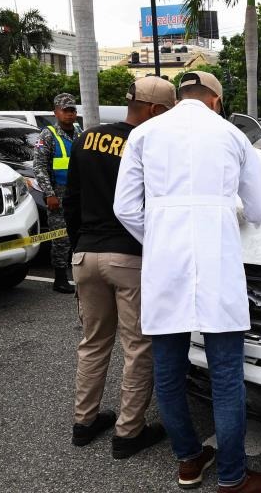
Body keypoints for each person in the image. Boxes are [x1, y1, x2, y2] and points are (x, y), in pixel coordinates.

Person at [113, 71, 261, 492]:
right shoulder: (233, 137)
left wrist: (164, 236)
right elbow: (259, 211)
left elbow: (125, 208)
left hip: (164, 267)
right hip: (217, 264)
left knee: (168, 372)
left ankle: (188, 461)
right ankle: (232, 477)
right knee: (225, 374)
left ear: (181, 96)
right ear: (216, 100)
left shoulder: (145, 135)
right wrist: (225, 211)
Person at [63, 77, 176, 458]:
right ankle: (128, 432)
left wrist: (77, 246)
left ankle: (84, 422)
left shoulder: (85, 139)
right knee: (138, 346)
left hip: (86, 254)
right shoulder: (149, 144)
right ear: (155, 111)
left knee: (93, 343)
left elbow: (71, 200)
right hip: (128, 257)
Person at [34, 93, 83, 293]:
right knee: (61, 239)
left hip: (78, 194)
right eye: (65, 110)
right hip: (58, 195)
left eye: (72, 110)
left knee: (79, 235)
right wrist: (49, 193)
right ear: (56, 112)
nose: (70, 114)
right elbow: (39, 167)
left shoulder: (80, 132)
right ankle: (60, 278)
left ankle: (78, 274)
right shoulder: (48, 135)